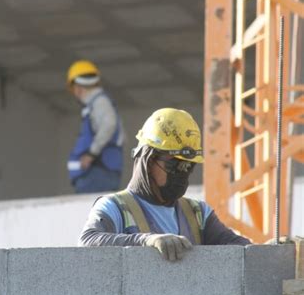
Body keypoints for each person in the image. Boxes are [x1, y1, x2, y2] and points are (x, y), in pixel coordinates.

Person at [79, 108, 251, 261]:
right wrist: (146, 240)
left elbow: (239, 247)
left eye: (188, 166)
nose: (181, 174)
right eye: (174, 165)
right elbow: (87, 242)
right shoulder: (114, 208)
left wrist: (264, 250)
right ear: (148, 160)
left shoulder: (199, 214)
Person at [66, 60, 124, 193]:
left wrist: (91, 153)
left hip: (98, 174)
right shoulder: (95, 104)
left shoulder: (99, 102)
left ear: (78, 87)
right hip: (95, 175)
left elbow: (109, 124)